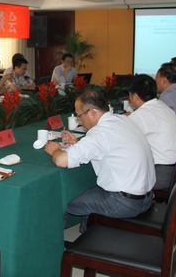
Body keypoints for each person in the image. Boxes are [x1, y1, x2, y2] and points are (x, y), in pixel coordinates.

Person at [44, 90, 155, 232]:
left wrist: (55, 150)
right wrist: (78, 144)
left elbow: (61, 160)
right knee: (87, 193)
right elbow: (107, 148)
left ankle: (72, 243)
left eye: (79, 116)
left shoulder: (101, 132)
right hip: (146, 196)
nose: (79, 121)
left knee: (62, 203)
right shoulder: (122, 120)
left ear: (92, 112)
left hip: (123, 202)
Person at [127, 74, 176, 190]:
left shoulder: (140, 116)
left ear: (135, 97)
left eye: (130, 95)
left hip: (161, 175)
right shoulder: (163, 107)